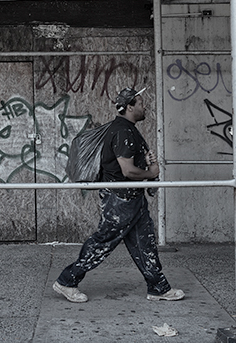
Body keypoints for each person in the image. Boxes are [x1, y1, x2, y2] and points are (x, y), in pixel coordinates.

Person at [53, 87, 184, 303]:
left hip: (132, 198)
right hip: (120, 200)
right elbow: (128, 170)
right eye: (141, 103)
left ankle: (158, 287)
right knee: (103, 242)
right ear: (130, 107)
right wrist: (150, 172)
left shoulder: (126, 129)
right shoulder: (124, 131)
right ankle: (67, 281)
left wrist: (146, 160)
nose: (145, 107)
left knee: (145, 243)